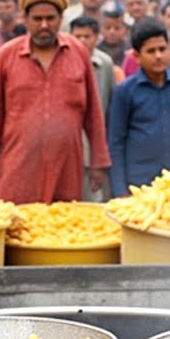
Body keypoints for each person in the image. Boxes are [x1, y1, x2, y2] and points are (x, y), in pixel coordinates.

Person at [0, 0, 110, 203]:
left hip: (67, 163)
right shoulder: (8, 55)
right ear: (25, 19)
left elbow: (93, 112)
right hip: (20, 162)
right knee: (17, 225)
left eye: (50, 18)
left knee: (62, 225)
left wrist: (98, 163)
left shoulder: (77, 52)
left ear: (61, 18)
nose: (44, 25)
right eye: (37, 19)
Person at [106, 16, 170, 199]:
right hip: (139, 185)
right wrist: (120, 189)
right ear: (136, 56)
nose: (158, 56)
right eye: (150, 51)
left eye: (162, 49)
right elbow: (116, 142)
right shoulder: (125, 91)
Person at [70, 16, 118, 202]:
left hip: (93, 148)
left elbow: (109, 107)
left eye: (87, 36)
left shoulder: (104, 63)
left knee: (93, 201)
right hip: (69, 146)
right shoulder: (62, 61)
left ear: (97, 37)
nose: (82, 41)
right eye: (77, 36)